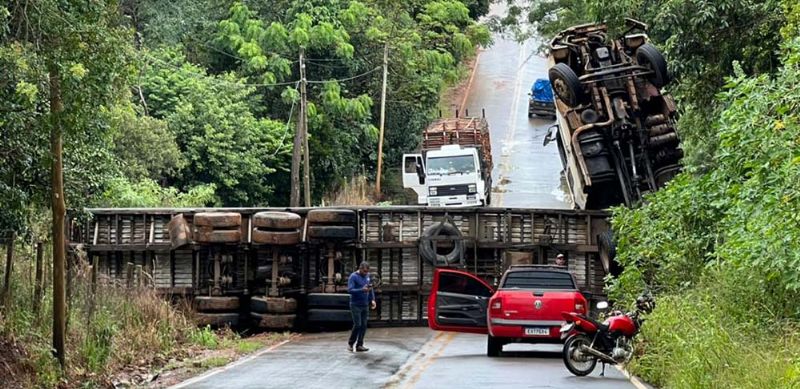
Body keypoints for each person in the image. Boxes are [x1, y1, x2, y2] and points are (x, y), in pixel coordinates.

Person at [347, 261, 376, 352]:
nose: (365, 274)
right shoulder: (353, 277)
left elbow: (370, 289)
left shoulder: (367, 276)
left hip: (365, 304)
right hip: (355, 304)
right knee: (358, 324)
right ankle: (351, 343)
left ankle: (359, 345)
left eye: (367, 272)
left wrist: (372, 299)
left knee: (364, 325)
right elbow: (350, 290)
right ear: (360, 269)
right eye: (364, 272)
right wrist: (361, 290)